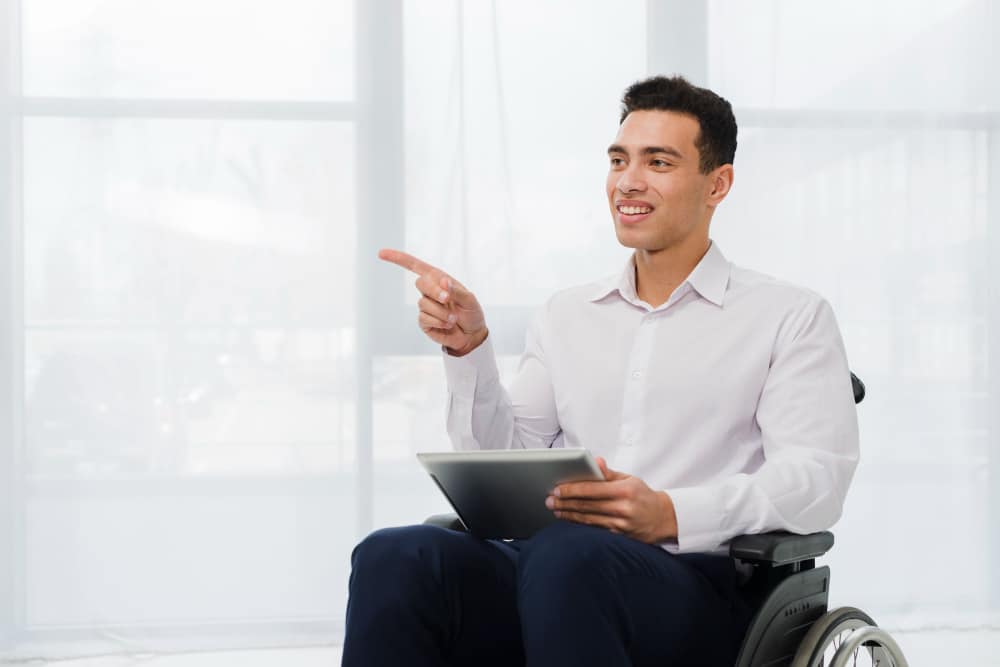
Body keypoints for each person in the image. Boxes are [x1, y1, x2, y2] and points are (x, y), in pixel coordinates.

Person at [341, 75, 860, 667]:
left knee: (571, 555)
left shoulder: (788, 315)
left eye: (658, 162)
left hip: (699, 589)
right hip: (554, 573)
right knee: (394, 554)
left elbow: (816, 479)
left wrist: (668, 512)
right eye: (619, 160)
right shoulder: (567, 314)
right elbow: (510, 458)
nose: (629, 181)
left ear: (718, 184)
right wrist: (470, 349)